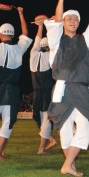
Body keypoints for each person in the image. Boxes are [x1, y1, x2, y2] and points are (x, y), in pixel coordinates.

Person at [44, 0, 89, 176]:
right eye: (69, 18)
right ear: (63, 22)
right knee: (65, 130)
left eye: (75, 19)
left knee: (85, 128)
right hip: (62, 89)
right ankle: (70, 166)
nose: (72, 21)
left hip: (81, 90)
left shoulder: (85, 41)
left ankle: (67, 164)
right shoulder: (56, 41)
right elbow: (56, 20)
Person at [0, 3, 32, 160]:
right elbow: (25, 33)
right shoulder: (19, 49)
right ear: (13, 35)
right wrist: (21, 14)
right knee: (8, 121)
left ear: (1, 34)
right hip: (12, 90)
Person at [30, 19, 57, 154]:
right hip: (47, 92)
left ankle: (49, 141)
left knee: (39, 119)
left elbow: (36, 40)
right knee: (46, 120)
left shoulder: (33, 55)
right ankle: (42, 148)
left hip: (36, 93)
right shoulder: (51, 57)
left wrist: (40, 27)